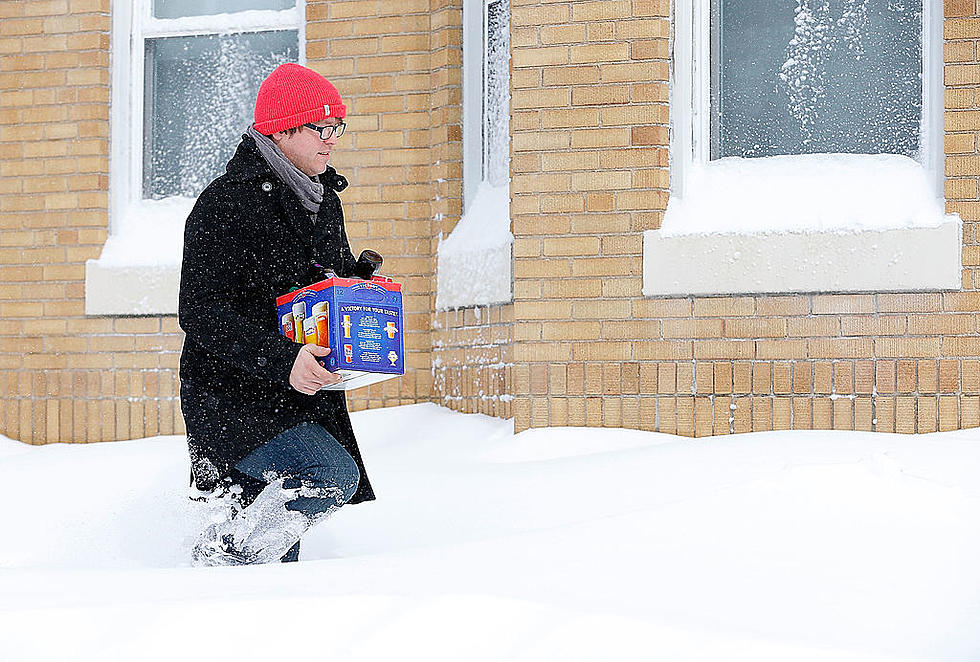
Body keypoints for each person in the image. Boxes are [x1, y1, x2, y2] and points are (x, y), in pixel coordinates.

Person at [178, 63, 376, 566]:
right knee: (326, 475)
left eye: (337, 128)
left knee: (280, 544)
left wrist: (354, 287)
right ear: (282, 129)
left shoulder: (322, 200)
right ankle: (222, 556)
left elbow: (312, 284)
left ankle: (232, 587)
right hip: (233, 393)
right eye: (320, 128)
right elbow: (201, 312)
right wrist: (282, 358)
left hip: (297, 391)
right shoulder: (226, 203)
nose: (332, 140)